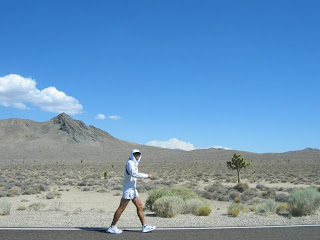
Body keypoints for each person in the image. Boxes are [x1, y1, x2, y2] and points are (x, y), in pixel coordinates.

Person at [107, 149, 156, 234]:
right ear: (132, 155)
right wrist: (147, 175)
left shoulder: (134, 163)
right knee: (121, 208)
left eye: (138, 154)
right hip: (128, 190)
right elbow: (134, 174)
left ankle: (144, 226)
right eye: (135, 154)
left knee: (139, 206)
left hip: (133, 189)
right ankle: (112, 227)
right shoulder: (130, 163)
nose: (137, 155)